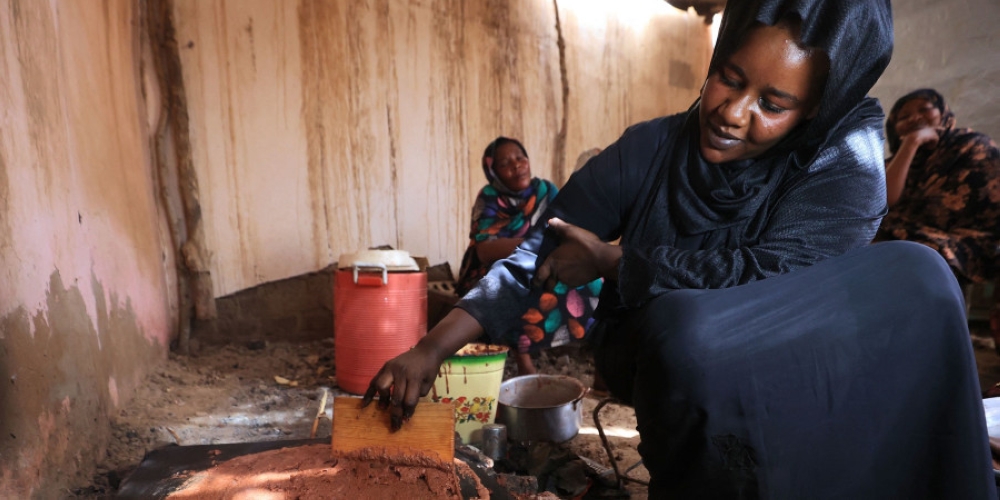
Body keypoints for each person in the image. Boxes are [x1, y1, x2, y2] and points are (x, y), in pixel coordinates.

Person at [365, 0, 996, 497]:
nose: (732, 112)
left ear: (814, 112)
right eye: (729, 77)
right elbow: (536, 251)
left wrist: (617, 262)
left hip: (792, 347)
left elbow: (768, 275)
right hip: (665, 347)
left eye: (773, 105)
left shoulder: (842, 161)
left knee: (920, 274)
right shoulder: (650, 150)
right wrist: (428, 350)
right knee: (686, 324)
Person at [456, 137, 602, 375]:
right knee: (511, 286)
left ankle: (602, 369)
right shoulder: (490, 197)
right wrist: (531, 245)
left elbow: (562, 228)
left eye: (520, 158)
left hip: (545, 260)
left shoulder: (545, 191)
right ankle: (524, 361)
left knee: (597, 285)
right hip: (495, 265)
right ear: (493, 171)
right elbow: (484, 251)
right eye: (505, 163)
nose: (516, 165)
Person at [875, 88, 1000, 286]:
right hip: (900, 237)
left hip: (962, 241)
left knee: (912, 256)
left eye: (925, 109)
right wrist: (911, 144)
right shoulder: (892, 164)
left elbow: (978, 207)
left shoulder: (972, 147)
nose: (915, 118)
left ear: (943, 113)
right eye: (904, 117)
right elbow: (882, 203)